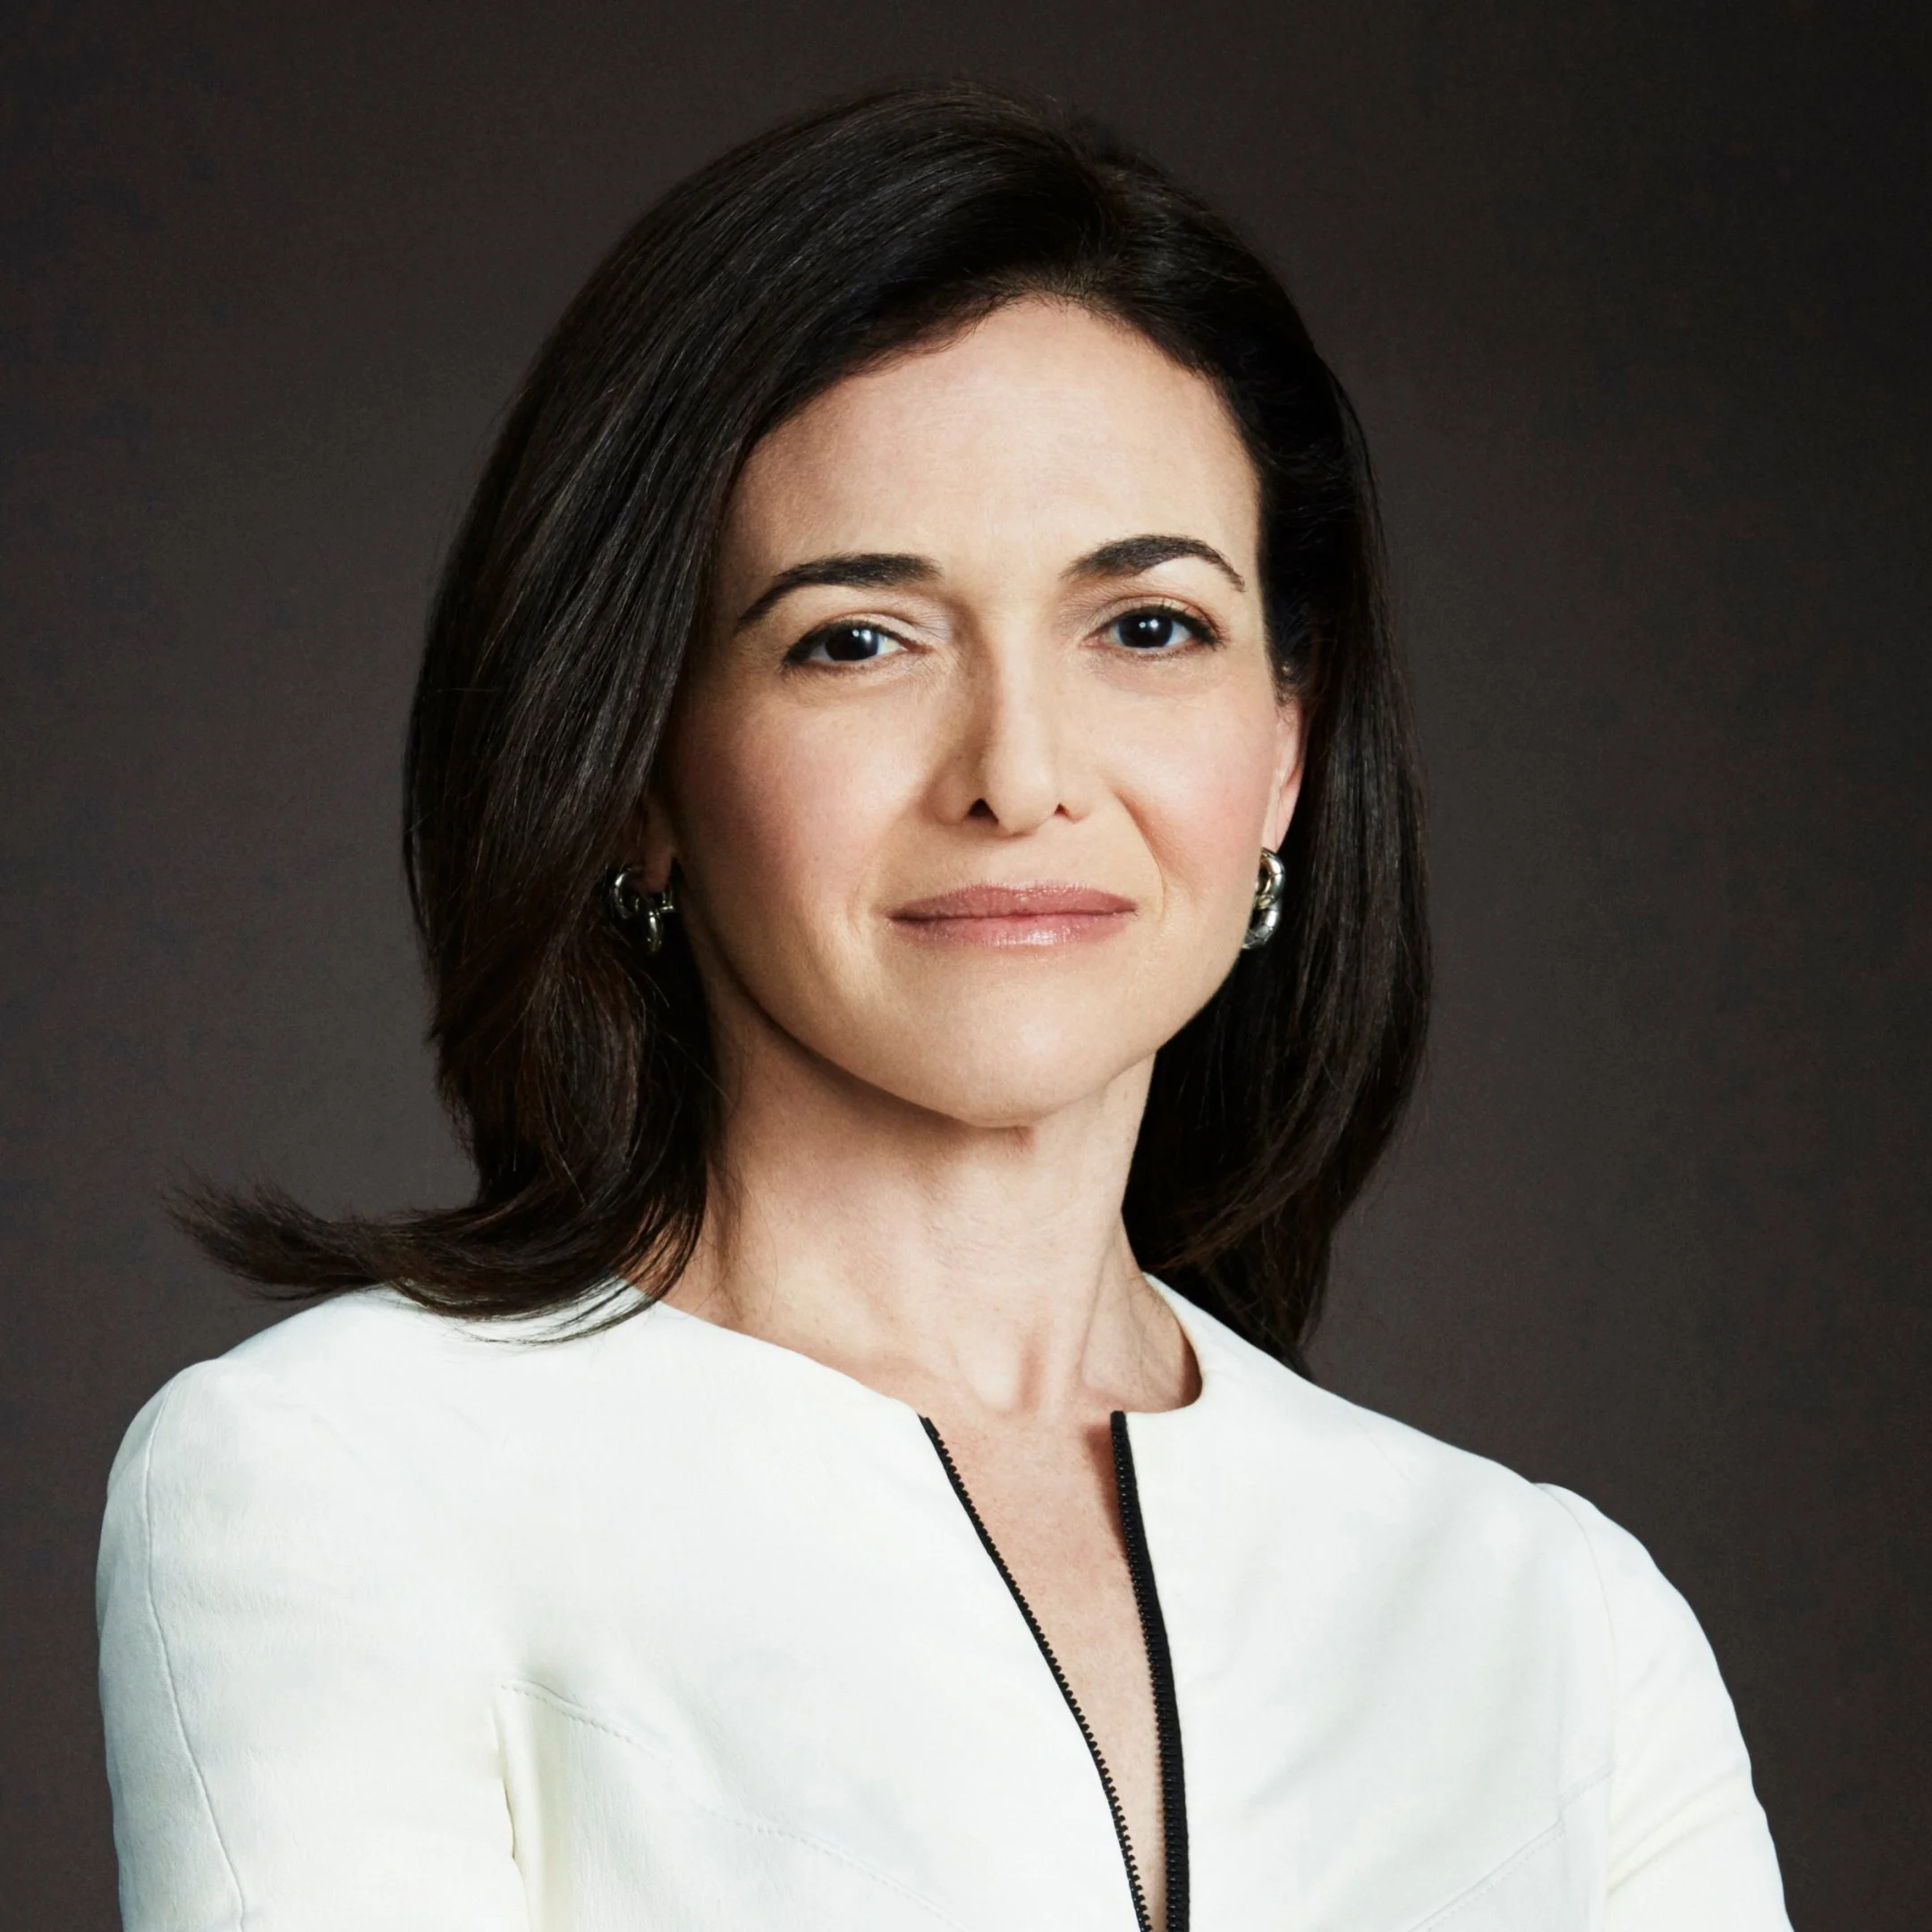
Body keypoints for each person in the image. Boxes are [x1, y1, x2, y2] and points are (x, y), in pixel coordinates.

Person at [96, 82, 1790, 1931]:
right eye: (857, 639)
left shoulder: (1558, 1627)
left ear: (1286, 752)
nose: (1020, 775)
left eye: (1147, 627)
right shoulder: (340, 1483)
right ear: (641, 768)